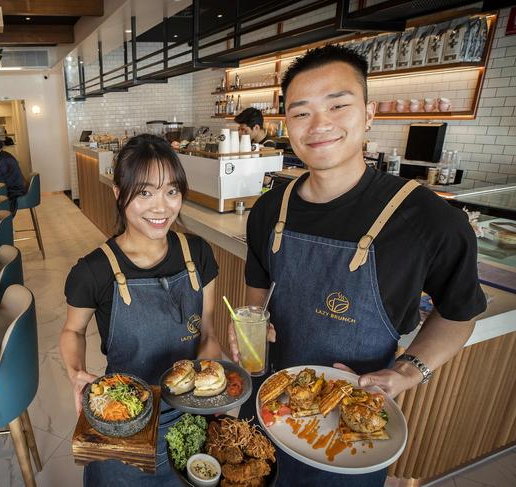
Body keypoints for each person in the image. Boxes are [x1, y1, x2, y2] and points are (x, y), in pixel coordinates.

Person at [230, 45, 486, 486]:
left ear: (368, 114)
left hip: (351, 428)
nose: (320, 124)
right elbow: (256, 300)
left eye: (338, 105)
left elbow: (459, 313)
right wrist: (249, 330)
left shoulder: (427, 219)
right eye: (301, 113)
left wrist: (406, 373)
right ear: (286, 125)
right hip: (271, 404)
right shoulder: (270, 209)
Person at [60, 134, 222, 486]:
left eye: (171, 191)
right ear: (118, 193)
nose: (160, 208)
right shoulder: (92, 272)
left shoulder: (199, 253)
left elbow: (208, 331)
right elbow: (72, 331)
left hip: (189, 419)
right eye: (145, 192)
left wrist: (211, 381)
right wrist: (75, 371)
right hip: (124, 420)